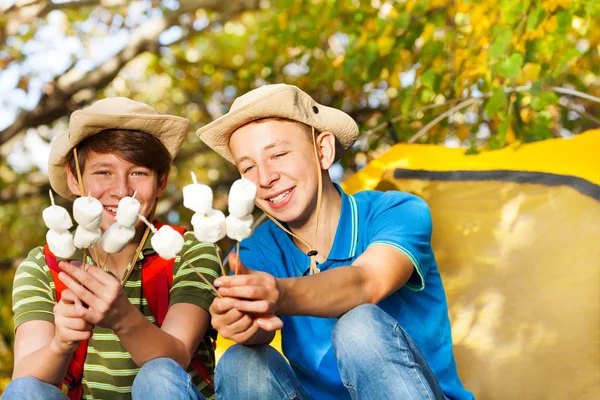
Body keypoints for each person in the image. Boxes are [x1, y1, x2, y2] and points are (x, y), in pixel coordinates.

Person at [196, 84, 473, 399]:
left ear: (323, 151)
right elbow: (260, 330)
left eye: (278, 154)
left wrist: (277, 293)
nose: (264, 177)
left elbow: (366, 283)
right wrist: (242, 320)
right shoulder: (254, 250)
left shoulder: (396, 211)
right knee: (239, 361)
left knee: (359, 325)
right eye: (248, 167)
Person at [5, 98, 220, 400]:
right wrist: (62, 342)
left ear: (162, 182)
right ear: (74, 178)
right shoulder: (46, 266)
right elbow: (25, 381)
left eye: (139, 173)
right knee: (25, 390)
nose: (120, 190)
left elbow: (178, 355)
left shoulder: (190, 251)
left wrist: (121, 316)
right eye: (103, 172)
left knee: (157, 374)